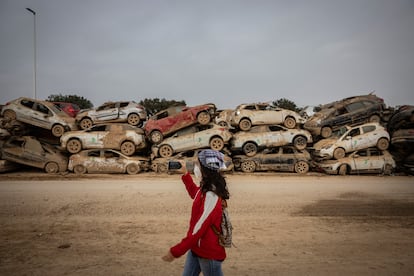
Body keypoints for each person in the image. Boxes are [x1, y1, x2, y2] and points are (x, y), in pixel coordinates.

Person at [162, 149, 230, 276]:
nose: (195, 167)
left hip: (208, 253)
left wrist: (176, 251)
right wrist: (185, 174)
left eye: (197, 164)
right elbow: (196, 194)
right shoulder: (206, 186)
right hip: (196, 248)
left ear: (205, 168)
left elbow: (198, 229)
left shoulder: (212, 194)